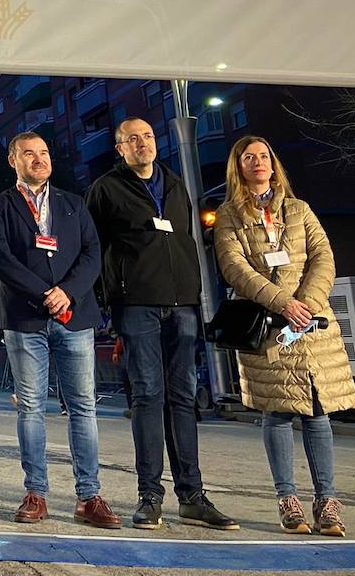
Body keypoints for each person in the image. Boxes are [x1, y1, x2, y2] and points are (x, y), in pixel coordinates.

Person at [85, 117, 237, 531]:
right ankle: (150, 495)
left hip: (183, 304)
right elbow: (92, 248)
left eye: (148, 136)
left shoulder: (174, 183)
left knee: (184, 397)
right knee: (149, 396)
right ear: (120, 148)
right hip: (136, 304)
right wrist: (104, 301)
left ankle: (192, 495)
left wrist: (193, 290)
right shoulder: (105, 190)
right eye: (132, 139)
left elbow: (184, 236)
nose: (142, 144)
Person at [213, 136, 355, 538]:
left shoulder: (299, 210)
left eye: (264, 156)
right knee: (276, 414)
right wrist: (282, 304)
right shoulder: (228, 215)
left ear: (274, 165)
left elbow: (323, 256)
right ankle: (287, 500)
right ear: (238, 167)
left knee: (317, 413)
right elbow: (235, 268)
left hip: (311, 327)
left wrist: (306, 304)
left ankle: (328, 503)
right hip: (270, 326)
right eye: (249, 158)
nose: (258, 163)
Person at [0, 132, 120, 529]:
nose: (38, 159)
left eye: (43, 152)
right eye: (28, 153)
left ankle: (89, 495)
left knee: (83, 406)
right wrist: (44, 293)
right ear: (13, 161)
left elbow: (93, 253)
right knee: (31, 407)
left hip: (73, 316)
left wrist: (67, 292)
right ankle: (36, 493)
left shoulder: (72, 204)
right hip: (25, 318)